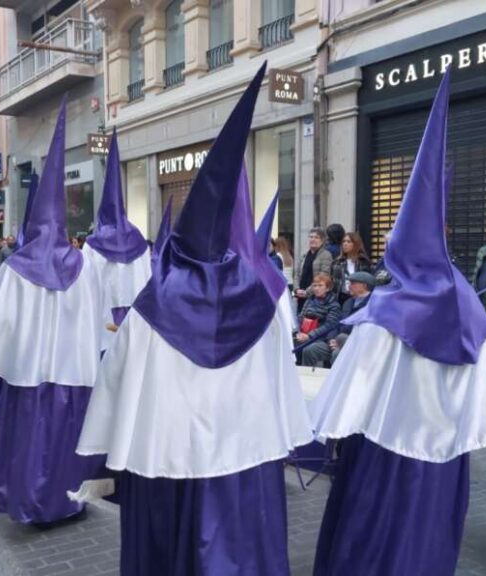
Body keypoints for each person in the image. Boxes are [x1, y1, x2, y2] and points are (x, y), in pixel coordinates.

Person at [76, 64, 312, 575]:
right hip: (246, 468)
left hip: (167, 466)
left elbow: (117, 389)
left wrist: (106, 457)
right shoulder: (266, 305)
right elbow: (281, 389)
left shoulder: (150, 308)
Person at [311, 72, 486, 575]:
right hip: (444, 458)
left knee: (379, 539)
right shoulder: (468, 305)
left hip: (384, 455)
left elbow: (350, 396)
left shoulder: (388, 311)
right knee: (429, 538)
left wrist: (324, 433)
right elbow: (481, 390)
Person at [0, 100, 106, 526]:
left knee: (28, 441)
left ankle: (30, 504)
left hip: (27, 377)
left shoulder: (14, 269)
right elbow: (94, 321)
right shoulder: (86, 266)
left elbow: (0, 324)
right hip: (72, 376)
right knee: (65, 439)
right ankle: (66, 501)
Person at [82, 130, 152, 346]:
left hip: (103, 323)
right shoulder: (139, 240)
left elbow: (86, 286)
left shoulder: (94, 244)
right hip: (138, 320)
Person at [295, 273, 342, 368]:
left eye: (320, 285)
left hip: (321, 338)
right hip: (304, 333)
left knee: (308, 349)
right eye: (314, 285)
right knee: (290, 343)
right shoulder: (309, 301)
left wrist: (309, 336)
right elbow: (301, 318)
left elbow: (329, 326)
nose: (316, 288)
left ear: (328, 288)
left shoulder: (334, 305)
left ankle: (307, 375)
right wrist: (297, 332)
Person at [328, 271, 374, 363]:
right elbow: (338, 322)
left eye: (353, 283)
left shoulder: (373, 303)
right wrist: (332, 339)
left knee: (337, 353)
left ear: (364, 286)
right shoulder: (348, 302)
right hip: (340, 340)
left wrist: (342, 340)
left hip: (359, 344)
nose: (349, 286)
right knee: (312, 349)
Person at [294, 228, 333, 310]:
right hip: (301, 295)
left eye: (316, 237)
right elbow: (297, 274)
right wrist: (297, 289)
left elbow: (324, 275)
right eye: (311, 237)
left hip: (315, 296)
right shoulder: (304, 255)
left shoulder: (326, 255)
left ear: (322, 240)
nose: (313, 239)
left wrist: (307, 292)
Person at [331, 232, 371, 303]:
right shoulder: (337, 262)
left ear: (356, 244)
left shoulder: (363, 262)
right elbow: (332, 281)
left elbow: (367, 282)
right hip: (340, 297)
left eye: (348, 242)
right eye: (343, 241)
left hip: (358, 297)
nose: (345, 244)